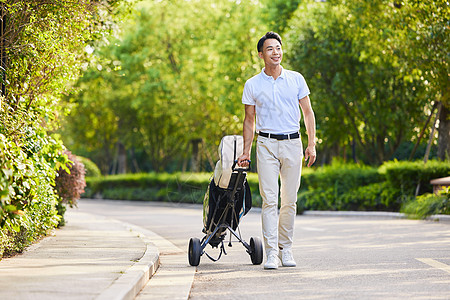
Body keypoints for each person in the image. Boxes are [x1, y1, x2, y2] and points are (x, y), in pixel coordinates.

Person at [237, 31, 317, 269]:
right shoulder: (252, 84)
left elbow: (308, 112)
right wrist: (245, 152)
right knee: (270, 200)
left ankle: (286, 249)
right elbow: (249, 120)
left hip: (293, 143)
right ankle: (271, 252)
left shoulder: (296, 79)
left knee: (289, 201)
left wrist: (311, 143)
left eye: (278, 48)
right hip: (266, 144)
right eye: (270, 49)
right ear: (261, 54)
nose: (276, 52)